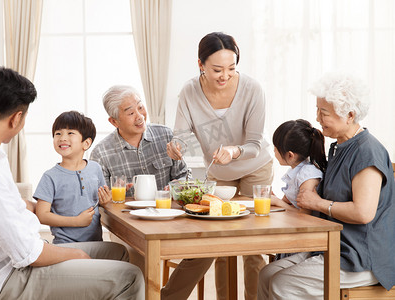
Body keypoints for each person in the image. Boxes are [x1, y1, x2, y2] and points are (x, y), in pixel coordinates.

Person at [0, 67, 144, 300]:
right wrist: (76, 256)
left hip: (16, 259)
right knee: (130, 277)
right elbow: (28, 253)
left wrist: (24, 204)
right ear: (16, 118)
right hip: (13, 276)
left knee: (116, 253)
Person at [258, 72, 395, 299]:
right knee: (267, 275)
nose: (318, 119)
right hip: (334, 246)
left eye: (324, 113)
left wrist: (318, 203)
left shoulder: (366, 151)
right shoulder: (339, 147)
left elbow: (363, 213)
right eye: (318, 110)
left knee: (284, 284)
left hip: (362, 257)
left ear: (350, 115)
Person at [167, 31, 273, 300]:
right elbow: (180, 134)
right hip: (219, 173)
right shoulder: (189, 91)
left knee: (252, 245)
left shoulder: (252, 89)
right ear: (200, 65)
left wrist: (234, 150)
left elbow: (255, 143)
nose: (224, 76)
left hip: (255, 168)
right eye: (217, 69)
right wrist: (176, 146)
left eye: (231, 68)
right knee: (219, 242)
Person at [90, 84, 213, 300]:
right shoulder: (102, 153)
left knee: (207, 249)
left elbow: (184, 174)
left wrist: (175, 188)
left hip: (170, 219)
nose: (139, 116)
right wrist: (109, 199)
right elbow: (101, 200)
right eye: (130, 112)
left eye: (140, 107)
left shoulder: (165, 135)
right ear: (114, 121)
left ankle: (167, 298)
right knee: (137, 260)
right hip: (129, 226)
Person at [34, 111, 111, 244]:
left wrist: (106, 201)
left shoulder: (95, 168)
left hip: (95, 242)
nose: (62, 138)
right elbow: (42, 215)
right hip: (65, 244)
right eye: (58, 133)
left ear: (86, 143)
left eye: (70, 133)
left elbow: (101, 204)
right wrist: (76, 222)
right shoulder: (50, 176)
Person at [271, 119, 326, 214]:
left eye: (276, 148)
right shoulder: (296, 171)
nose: (274, 151)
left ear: (290, 155)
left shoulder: (308, 175)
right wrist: (276, 199)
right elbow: (287, 203)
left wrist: (277, 202)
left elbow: (305, 214)